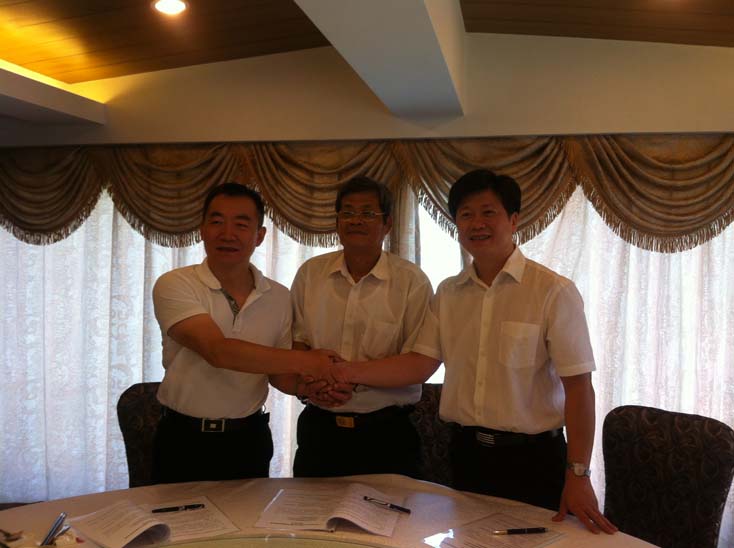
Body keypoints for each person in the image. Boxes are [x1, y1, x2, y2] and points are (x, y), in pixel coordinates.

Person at [332, 169, 617, 535]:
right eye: (466, 214)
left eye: (488, 213)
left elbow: (579, 388)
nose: (476, 223)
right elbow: (419, 363)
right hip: (466, 456)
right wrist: (345, 372)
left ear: (513, 220)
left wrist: (578, 474)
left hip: (533, 460)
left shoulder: (552, 291)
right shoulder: (448, 293)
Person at [151, 182, 337, 484]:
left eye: (241, 224)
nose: (227, 234)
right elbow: (218, 351)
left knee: (248, 517)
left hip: (249, 439)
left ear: (259, 236)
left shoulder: (279, 296)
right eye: (217, 222)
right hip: (183, 438)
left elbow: (279, 375)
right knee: (176, 517)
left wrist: (311, 389)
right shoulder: (175, 284)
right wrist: (310, 362)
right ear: (202, 229)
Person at [270, 176, 434, 478]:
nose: (356, 220)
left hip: (387, 434)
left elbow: (417, 364)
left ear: (387, 224)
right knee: (309, 509)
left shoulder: (412, 282)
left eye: (367, 213)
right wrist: (311, 387)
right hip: (320, 431)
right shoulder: (310, 274)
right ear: (337, 222)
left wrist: (345, 373)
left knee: (391, 511)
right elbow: (296, 344)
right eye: (347, 212)